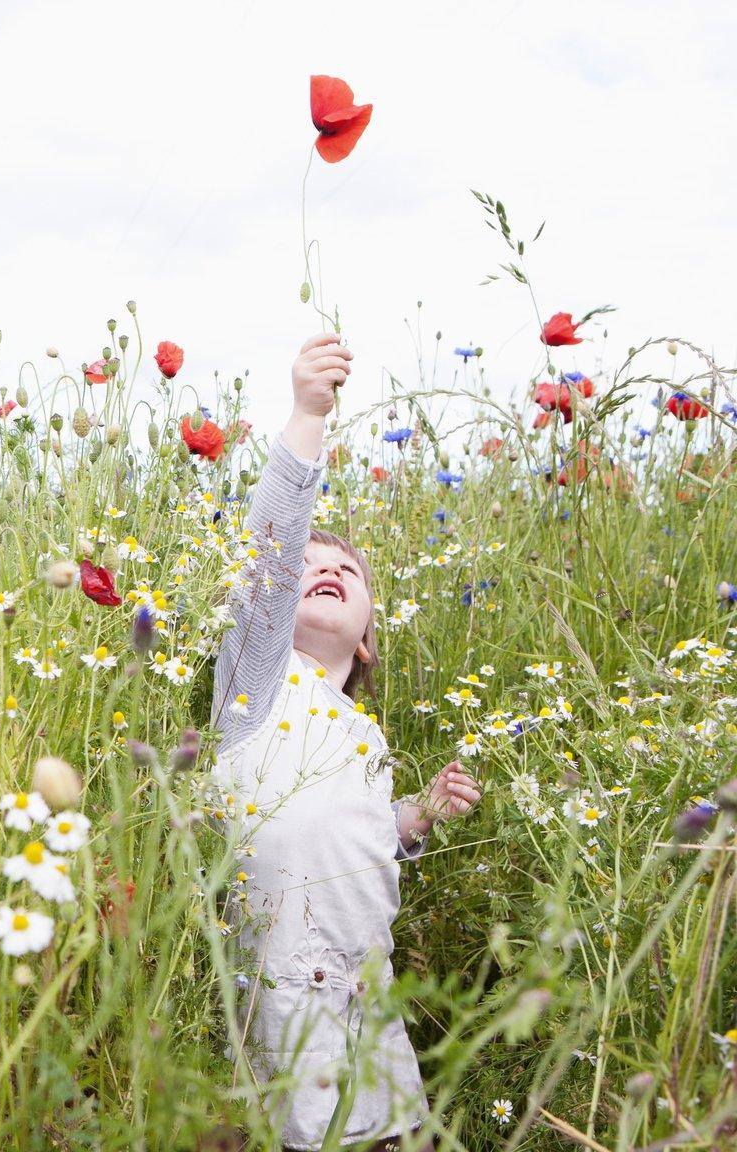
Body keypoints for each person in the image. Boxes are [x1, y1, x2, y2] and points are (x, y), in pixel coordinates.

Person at [209, 333, 482, 1150]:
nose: (322, 570)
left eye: (347, 573)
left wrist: (413, 818)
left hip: (370, 1008)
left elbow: (352, 848)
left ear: (365, 641)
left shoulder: (367, 737)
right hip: (284, 1006)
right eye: (306, 568)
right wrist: (305, 416)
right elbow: (267, 555)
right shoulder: (257, 686)